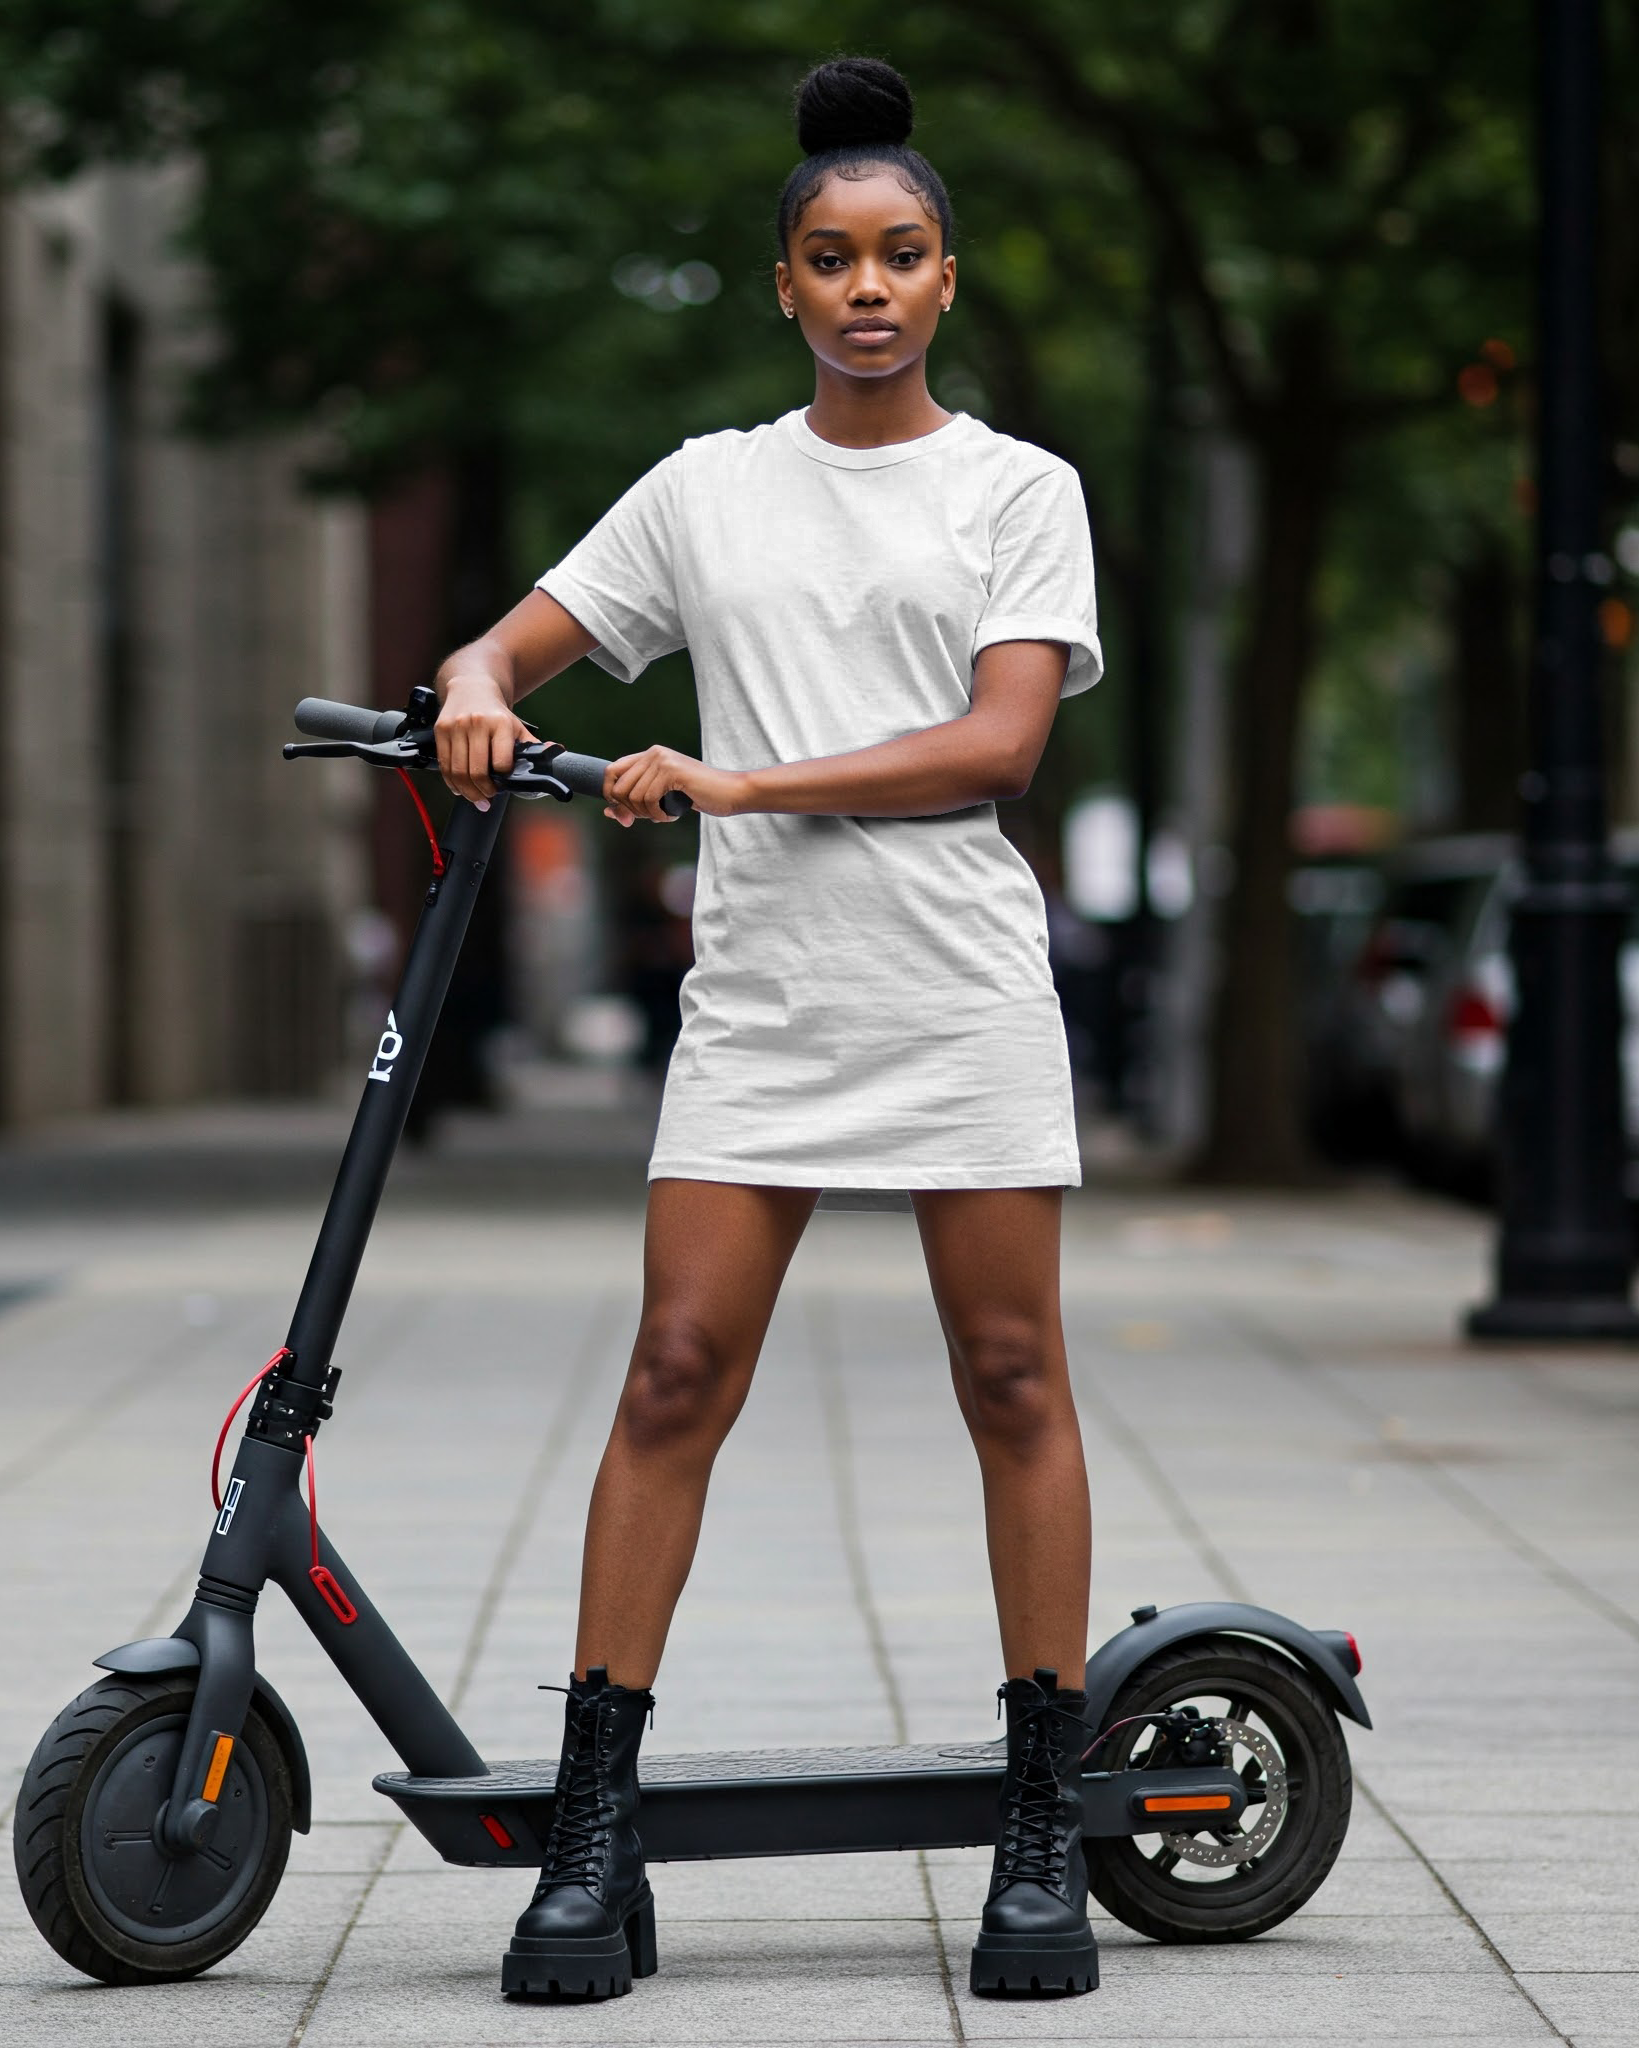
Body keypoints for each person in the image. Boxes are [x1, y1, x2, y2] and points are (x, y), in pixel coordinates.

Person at [431, 54, 1103, 2002]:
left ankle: (1040, 1825)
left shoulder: (1015, 488)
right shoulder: (704, 490)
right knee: (670, 1376)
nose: (868, 285)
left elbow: (999, 741)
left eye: (901, 254)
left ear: (946, 281)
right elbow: (511, 636)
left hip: (956, 983)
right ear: (785, 285)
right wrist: (475, 681)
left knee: (1006, 1378)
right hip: (760, 1011)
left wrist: (730, 788)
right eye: (832, 257)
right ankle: (589, 1839)